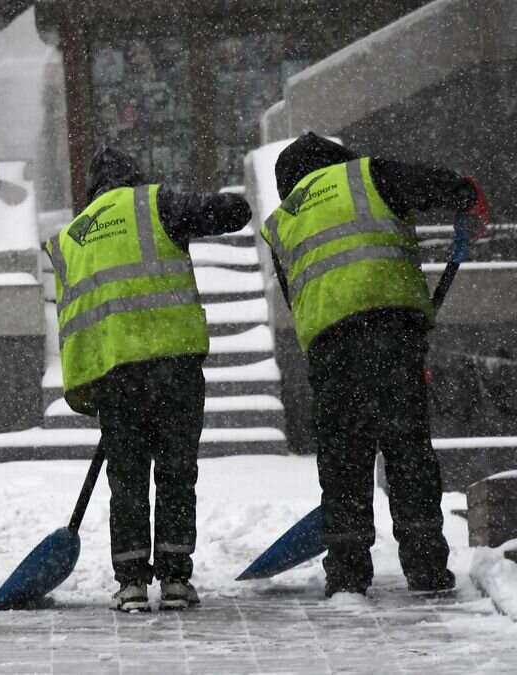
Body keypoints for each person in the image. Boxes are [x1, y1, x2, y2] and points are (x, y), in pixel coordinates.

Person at [264, 132, 489, 598]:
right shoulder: (368, 175)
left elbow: (295, 295)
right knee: (408, 450)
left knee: (343, 460)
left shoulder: (280, 221)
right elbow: (436, 186)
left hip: (329, 346)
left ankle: (347, 575)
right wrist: (466, 195)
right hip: (391, 330)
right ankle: (426, 568)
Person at [46, 146, 251, 613]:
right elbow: (233, 212)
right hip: (174, 366)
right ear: (135, 177)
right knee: (178, 474)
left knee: (128, 480)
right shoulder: (155, 204)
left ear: (92, 189)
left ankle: (132, 583)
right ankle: (176, 581)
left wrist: (88, 388)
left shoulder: (71, 237)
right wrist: (225, 202)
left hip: (118, 376)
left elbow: (74, 323)